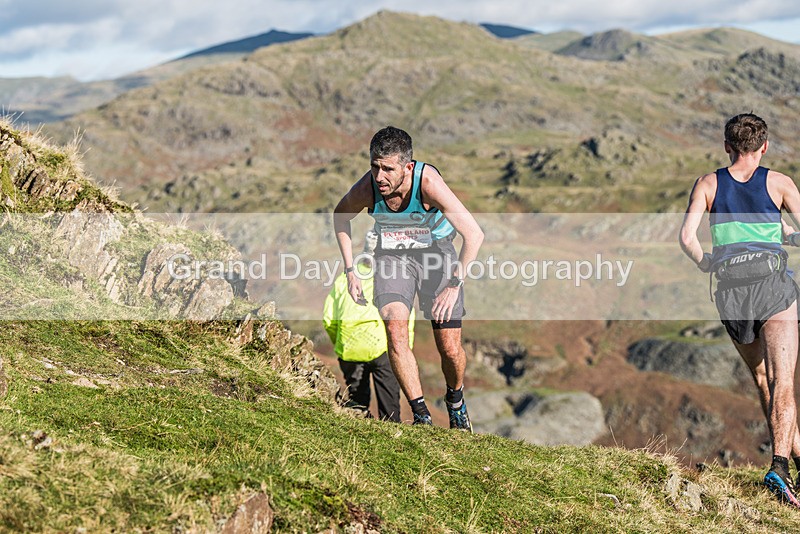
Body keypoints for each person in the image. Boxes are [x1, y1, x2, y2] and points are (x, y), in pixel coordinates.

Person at [679, 112, 800, 507]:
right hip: (772, 288)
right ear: (764, 146)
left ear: (727, 146)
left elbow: (686, 238)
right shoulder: (779, 183)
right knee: (783, 382)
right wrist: (787, 236)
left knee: (763, 380)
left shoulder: (708, 183)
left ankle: (795, 463)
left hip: (731, 293)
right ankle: (780, 467)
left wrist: (705, 263)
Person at [333, 126, 484, 430]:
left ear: (408, 167)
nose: (380, 176)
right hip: (392, 256)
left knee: (449, 347)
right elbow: (340, 217)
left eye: (388, 169)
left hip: (436, 254)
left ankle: (455, 401)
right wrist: (350, 271)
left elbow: (474, 234)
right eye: (375, 166)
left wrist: (454, 285)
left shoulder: (428, 183)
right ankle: (421, 415)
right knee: (394, 326)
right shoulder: (367, 188)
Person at [323, 231, 415, 422]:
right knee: (389, 406)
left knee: (357, 404)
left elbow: (328, 319)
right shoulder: (395, 279)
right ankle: (392, 435)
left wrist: (340, 343)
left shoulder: (344, 279)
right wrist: (404, 350)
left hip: (350, 347)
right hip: (384, 348)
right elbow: (406, 319)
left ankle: (357, 434)